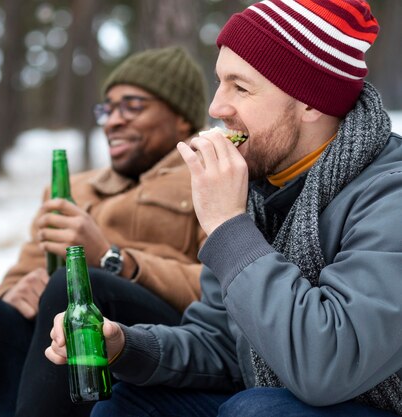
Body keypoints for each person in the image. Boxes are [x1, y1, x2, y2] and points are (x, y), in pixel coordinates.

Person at [46, 1, 402, 416]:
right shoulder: (258, 187)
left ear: (310, 102)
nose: (216, 108)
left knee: (259, 411)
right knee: (128, 404)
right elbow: (223, 344)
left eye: (241, 87)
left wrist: (228, 226)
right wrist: (125, 346)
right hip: (292, 392)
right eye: (220, 82)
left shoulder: (389, 194)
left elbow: (329, 364)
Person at [0, 46, 208, 417]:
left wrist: (112, 259)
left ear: (182, 118)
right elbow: (15, 278)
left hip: (149, 362)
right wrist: (14, 293)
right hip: (51, 376)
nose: (113, 121)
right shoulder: (73, 189)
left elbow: (216, 292)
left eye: (132, 106)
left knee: (77, 286)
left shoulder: (205, 177)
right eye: (107, 109)